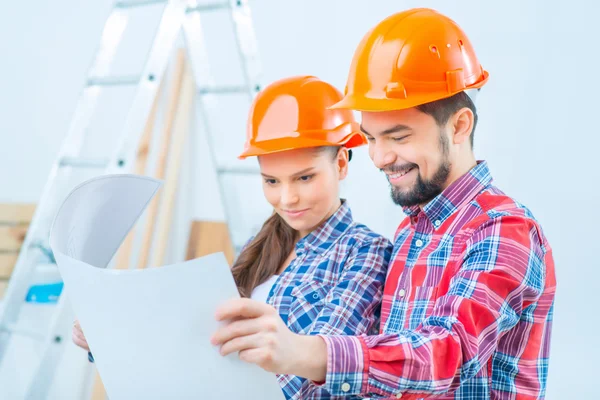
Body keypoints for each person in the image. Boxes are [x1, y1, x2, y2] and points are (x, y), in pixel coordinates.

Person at [211, 8, 557, 400]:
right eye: (372, 139)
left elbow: (448, 354)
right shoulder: (412, 232)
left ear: (459, 125)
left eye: (398, 136)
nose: (378, 158)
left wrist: (306, 352)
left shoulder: (503, 229)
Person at [73, 75, 392, 399]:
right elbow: (204, 347)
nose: (287, 198)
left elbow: (321, 372)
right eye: (271, 181)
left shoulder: (365, 252)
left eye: (304, 177)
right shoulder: (264, 246)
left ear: (340, 164)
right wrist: (112, 339)